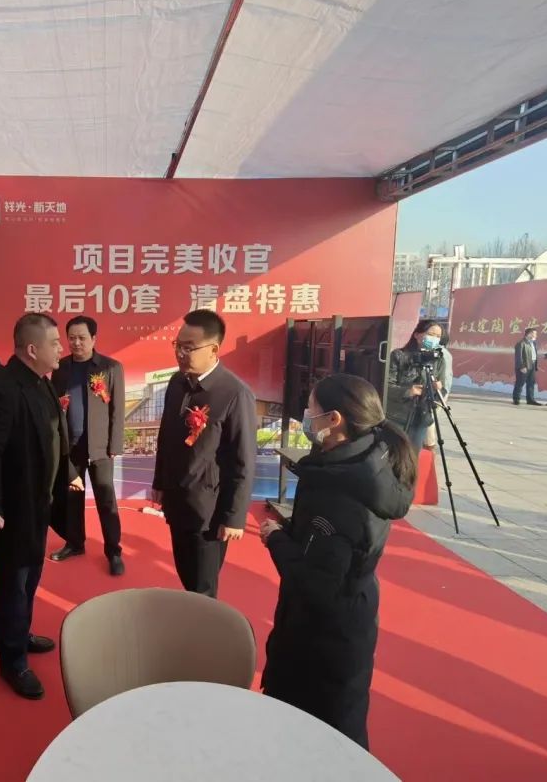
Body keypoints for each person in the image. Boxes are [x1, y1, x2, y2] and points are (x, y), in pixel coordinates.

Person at [259, 373, 415, 750]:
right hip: (350, 614)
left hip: (322, 639)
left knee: (319, 739)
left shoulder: (339, 490)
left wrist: (276, 539)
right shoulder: (368, 458)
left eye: (310, 410)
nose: (305, 417)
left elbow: (317, 585)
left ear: (334, 419)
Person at [0, 313, 81, 699]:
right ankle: (12, 661)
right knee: (11, 586)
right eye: (55, 343)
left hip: (39, 503)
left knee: (30, 577)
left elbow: (54, 435)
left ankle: (21, 633)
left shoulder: (42, 381)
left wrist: (68, 473)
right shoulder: (1, 389)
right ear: (33, 349)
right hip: (12, 510)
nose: (61, 348)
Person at [151, 309, 257, 598]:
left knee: (203, 586)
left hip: (208, 510)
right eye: (178, 345)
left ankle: (202, 625)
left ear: (213, 349)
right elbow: (166, 436)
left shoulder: (235, 393)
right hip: (176, 498)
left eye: (189, 347)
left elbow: (244, 460)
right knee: (185, 572)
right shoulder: (177, 382)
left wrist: (234, 517)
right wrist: (159, 482)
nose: (181, 353)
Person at [49, 316, 126, 575]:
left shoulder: (110, 367)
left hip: (100, 448)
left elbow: (117, 409)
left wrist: (115, 444)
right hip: (71, 447)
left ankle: (114, 551)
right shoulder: (61, 367)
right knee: (72, 499)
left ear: (94, 339)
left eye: (82, 338)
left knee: (106, 500)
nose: (76, 343)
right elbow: (56, 408)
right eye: (71, 338)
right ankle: (75, 543)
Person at [386, 319, 449, 454]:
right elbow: (386, 386)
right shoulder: (399, 355)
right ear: (417, 334)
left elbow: (441, 392)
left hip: (421, 418)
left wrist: (437, 389)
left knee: (412, 457)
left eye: (438, 336)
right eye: (430, 334)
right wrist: (408, 391)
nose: (434, 339)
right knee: (392, 455)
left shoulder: (438, 360)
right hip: (396, 417)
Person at [513, 327, 542, 406]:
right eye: (534, 334)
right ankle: (516, 399)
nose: (536, 335)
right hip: (524, 366)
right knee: (520, 383)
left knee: (531, 383)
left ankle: (530, 400)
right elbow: (518, 357)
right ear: (529, 334)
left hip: (532, 365)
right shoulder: (521, 343)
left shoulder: (533, 343)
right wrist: (522, 366)